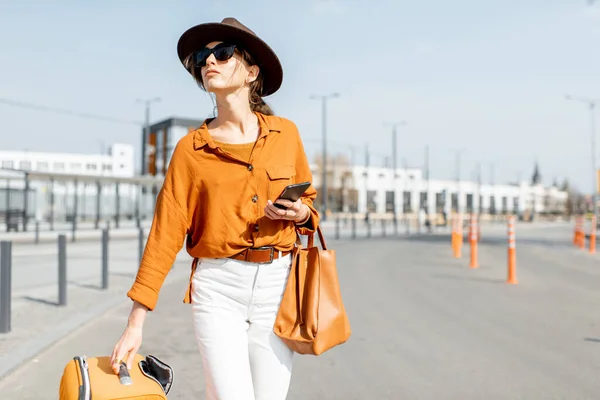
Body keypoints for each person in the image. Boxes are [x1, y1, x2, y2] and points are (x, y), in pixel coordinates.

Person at [109, 17, 320, 400]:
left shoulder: (285, 134)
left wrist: (300, 214)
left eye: (222, 54)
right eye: (202, 58)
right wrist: (135, 322)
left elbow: (309, 205)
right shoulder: (191, 150)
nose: (209, 62)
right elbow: (164, 234)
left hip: (278, 284)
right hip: (218, 288)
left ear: (251, 71)